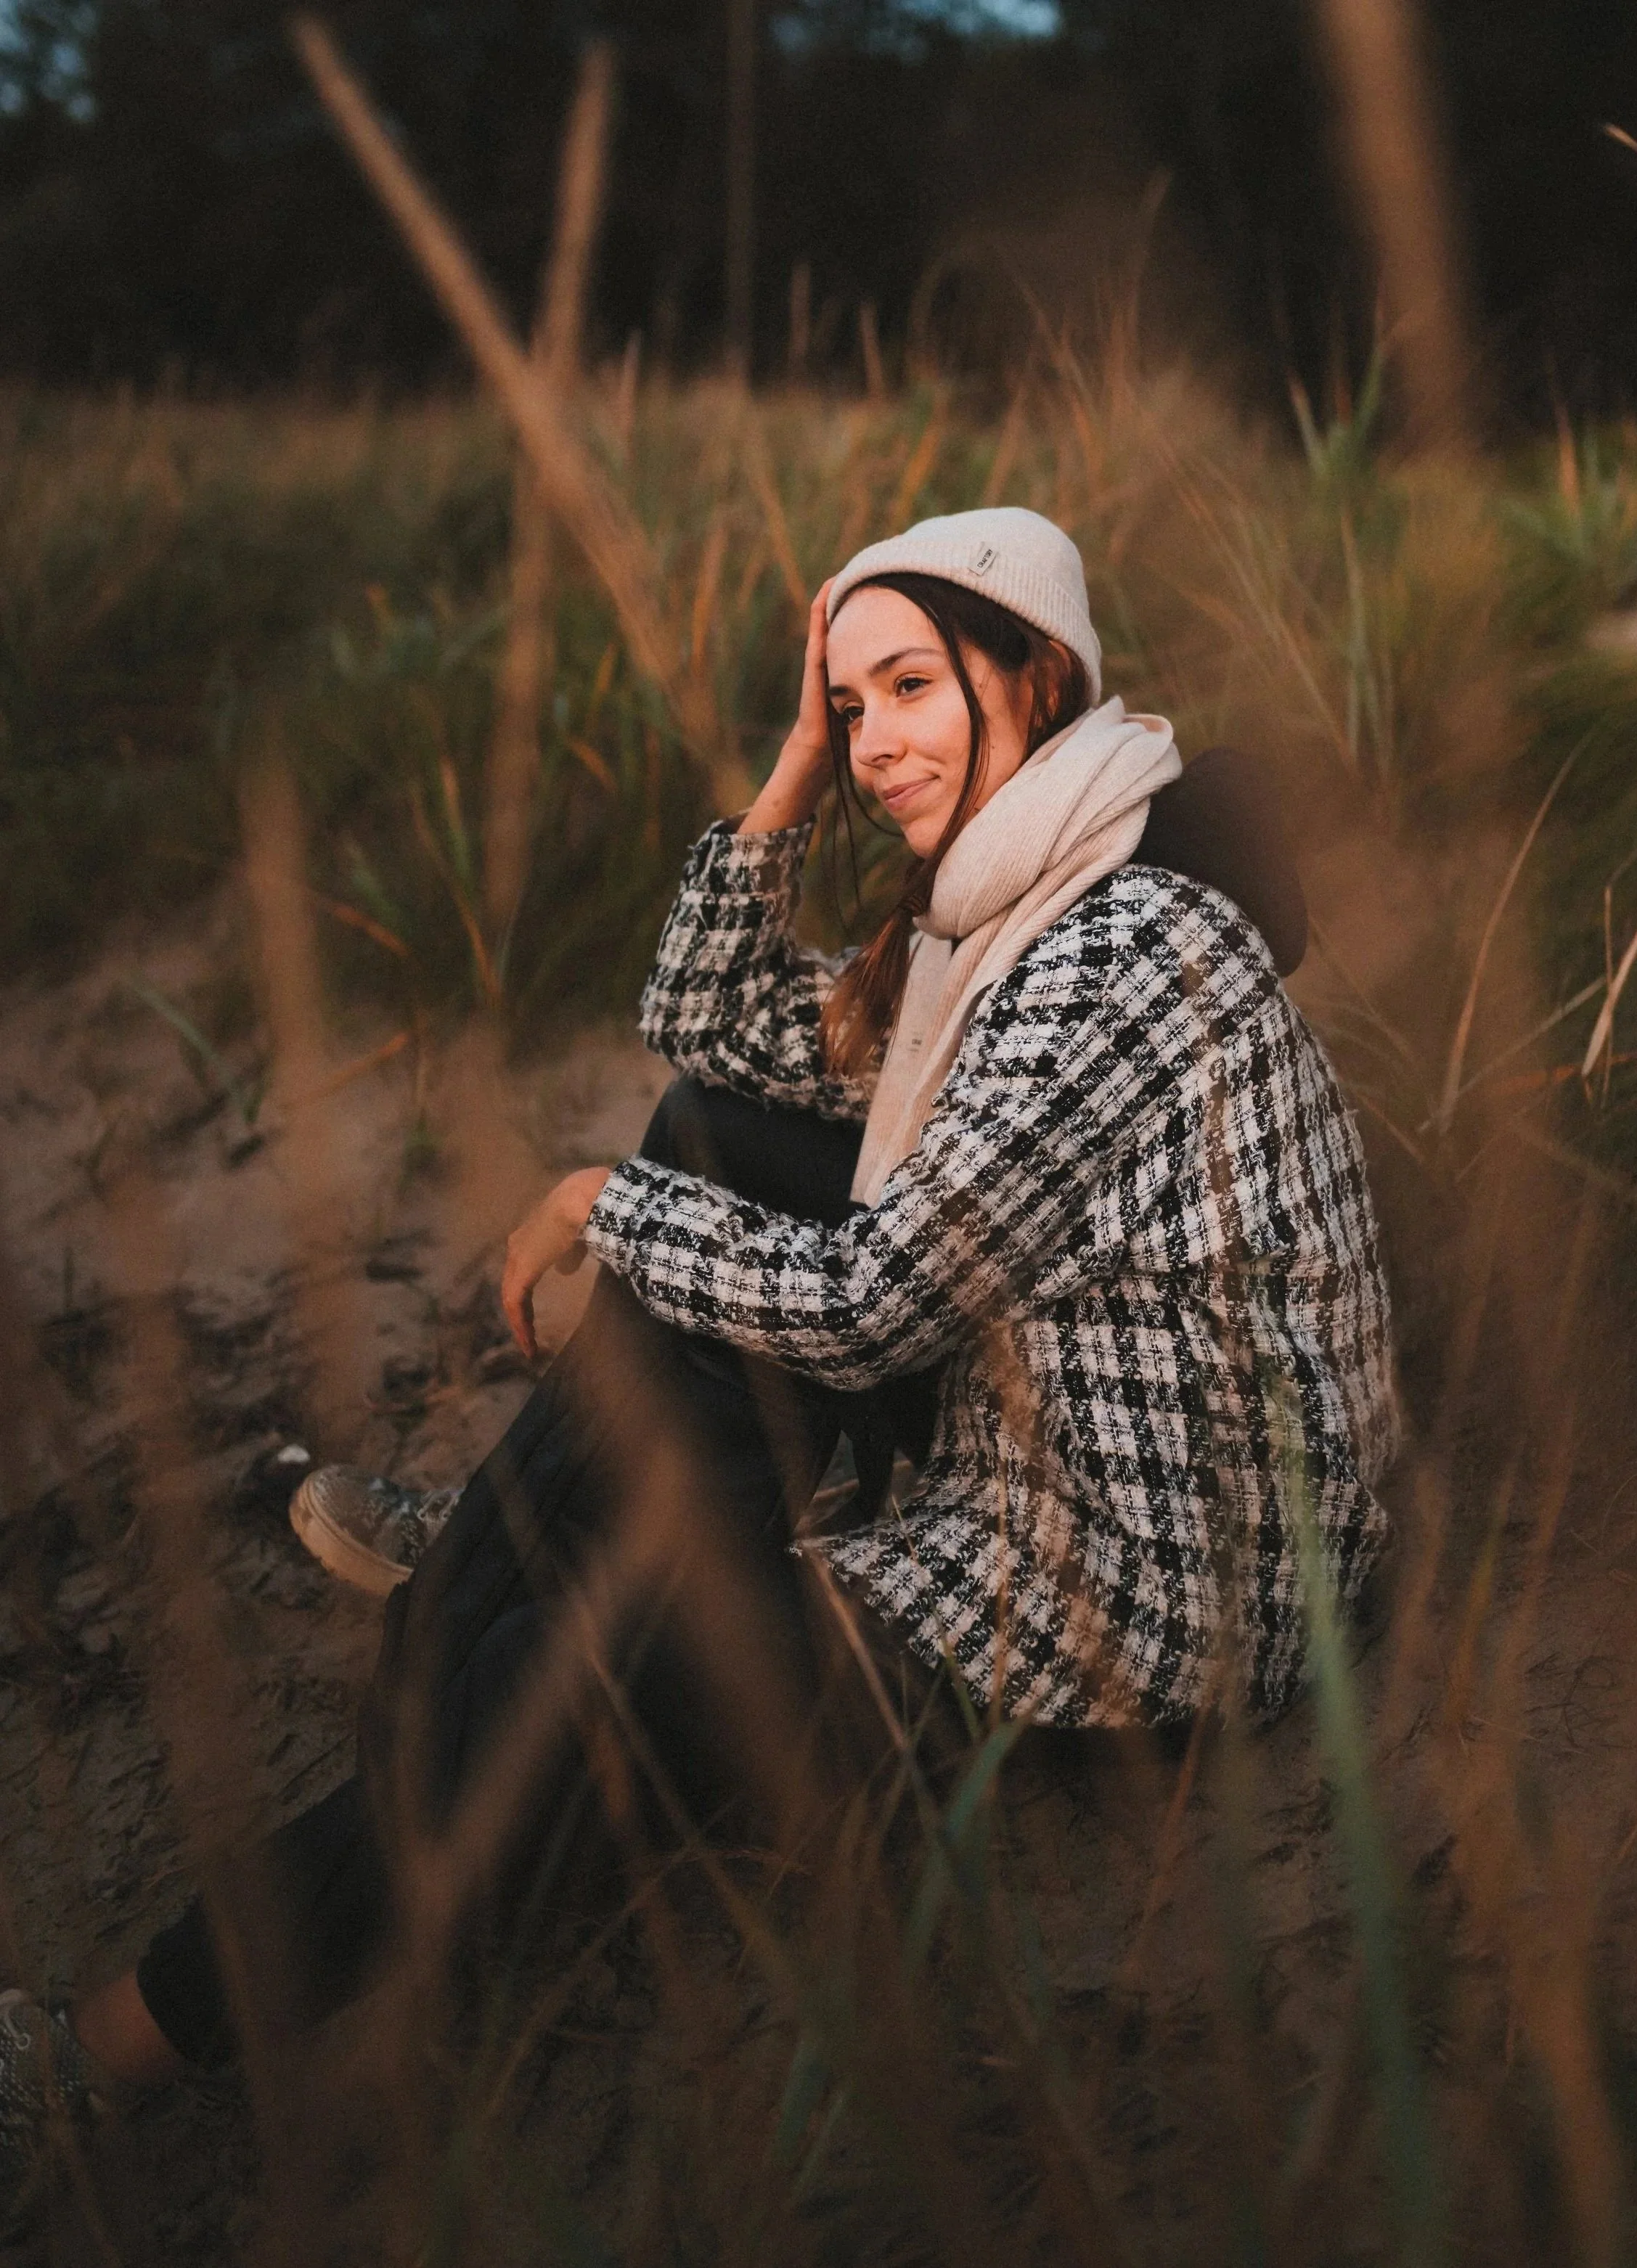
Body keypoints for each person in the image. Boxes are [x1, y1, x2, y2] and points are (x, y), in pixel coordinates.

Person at [0, 507, 1395, 2214]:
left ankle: (88, 2054)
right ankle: (525, 1577)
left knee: (551, 1676)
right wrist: (790, 774)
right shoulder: (1012, 899)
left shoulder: (1114, 948)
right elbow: (708, 1029)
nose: (875, 736)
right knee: (721, 1132)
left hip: (1137, 1605)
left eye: (907, 686)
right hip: (1046, 1454)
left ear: (1038, 673)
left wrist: (603, 1205)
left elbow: (874, 1303)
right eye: (843, 698)